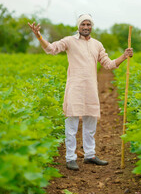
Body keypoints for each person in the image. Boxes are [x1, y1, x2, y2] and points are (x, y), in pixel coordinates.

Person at [28, 14, 133, 171]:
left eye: (88, 24)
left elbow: (109, 64)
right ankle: (71, 158)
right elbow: (51, 49)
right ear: (78, 26)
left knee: (91, 123)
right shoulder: (70, 41)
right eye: (83, 24)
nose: (86, 27)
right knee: (72, 125)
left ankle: (90, 155)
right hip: (75, 88)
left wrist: (124, 56)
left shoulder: (97, 44)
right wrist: (38, 36)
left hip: (91, 88)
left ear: (91, 26)